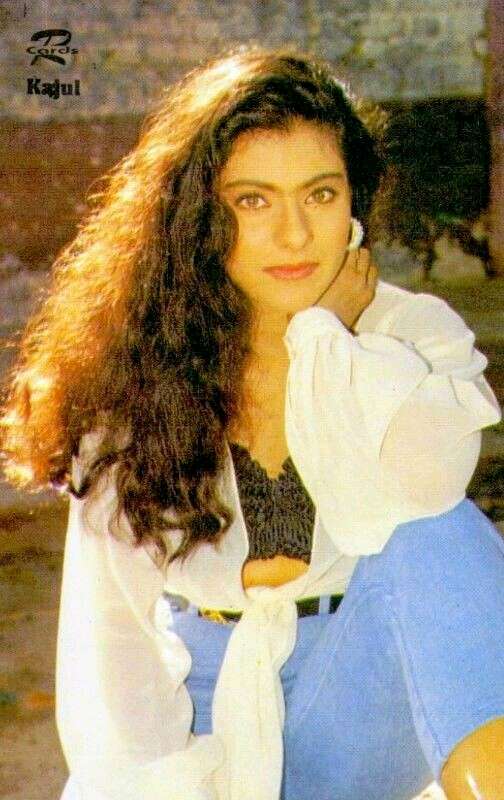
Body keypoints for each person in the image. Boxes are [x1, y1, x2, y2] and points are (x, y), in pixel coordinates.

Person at [1, 46, 504, 800]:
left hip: (359, 699)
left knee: (441, 529)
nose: (295, 235)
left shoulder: (409, 334)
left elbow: (422, 489)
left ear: (354, 202)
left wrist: (327, 340)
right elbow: (114, 639)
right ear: (200, 216)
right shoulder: (137, 372)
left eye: (321, 194)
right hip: (204, 712)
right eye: (253, 201)